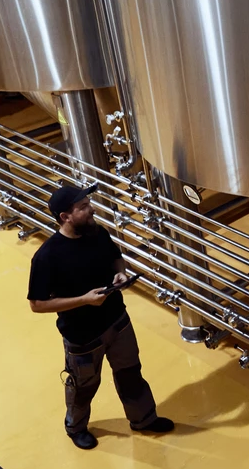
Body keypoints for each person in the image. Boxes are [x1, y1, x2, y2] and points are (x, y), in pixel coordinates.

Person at [28, 182, 174, 449]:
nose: (91, 209)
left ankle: (143, 419)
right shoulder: (47, 256)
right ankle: (76, 427)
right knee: (83, 386)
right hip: (82, 337)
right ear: (65, 217)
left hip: (118, 322)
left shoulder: (97, 233)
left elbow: (115, 258)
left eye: (88, 204)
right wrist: (84, 300)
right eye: (83, 207)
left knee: (131, 374)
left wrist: (121, 273)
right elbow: (36, 304)